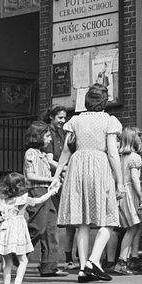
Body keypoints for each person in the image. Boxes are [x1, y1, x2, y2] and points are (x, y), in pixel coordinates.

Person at [54, 83, 124, 283]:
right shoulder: (109, 121)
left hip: (78, 167)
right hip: (99, 167)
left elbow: (67, 150)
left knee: (82, 222)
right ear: (104, 102)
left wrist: (57, 174)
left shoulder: (75, 120)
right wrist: (120, 182)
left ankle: (84, 269)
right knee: (110, 219)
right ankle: (93, 261)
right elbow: (112, 152)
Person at [0, 172, 60, 284]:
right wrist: (52, 192)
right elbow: (40, 200)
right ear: (20, 186)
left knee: (7, 263)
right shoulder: (24, 199)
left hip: (4, 231)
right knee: (23, 260)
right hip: (17, 231)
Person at [23, 121, 62, 277]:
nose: (50, 139)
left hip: (48, 192)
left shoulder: (43, 155)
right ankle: (17, 253)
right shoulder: (31, 153)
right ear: (38, 136)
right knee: (38, 227)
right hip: (37, 191)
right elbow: (30, 175)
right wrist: (49, 180)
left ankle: (49, 265)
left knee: (50, 228)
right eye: (47, 136)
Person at [43, 104, 77, 272]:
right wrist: (64, 169)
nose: (63, 121)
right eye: (60, 118)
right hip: (54, 179)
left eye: (65, 118)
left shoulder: (65, 133)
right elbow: (49, 160)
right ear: (52, 117)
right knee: (53, 221)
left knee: (71, 220)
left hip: (66, 178)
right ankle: (50, 261)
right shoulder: (48, 133)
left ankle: (69, 257)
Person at [112, 126, 142, 275]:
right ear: (133, 139)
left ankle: (126, 259)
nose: (140, 139)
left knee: (132, 227)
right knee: (132, 228)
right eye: (138, 137)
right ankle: (122, 262)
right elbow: (134, 178)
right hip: (130, 194)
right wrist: (141, 196)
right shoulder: (135, 157)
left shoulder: (119, 157)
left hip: (120, 193)